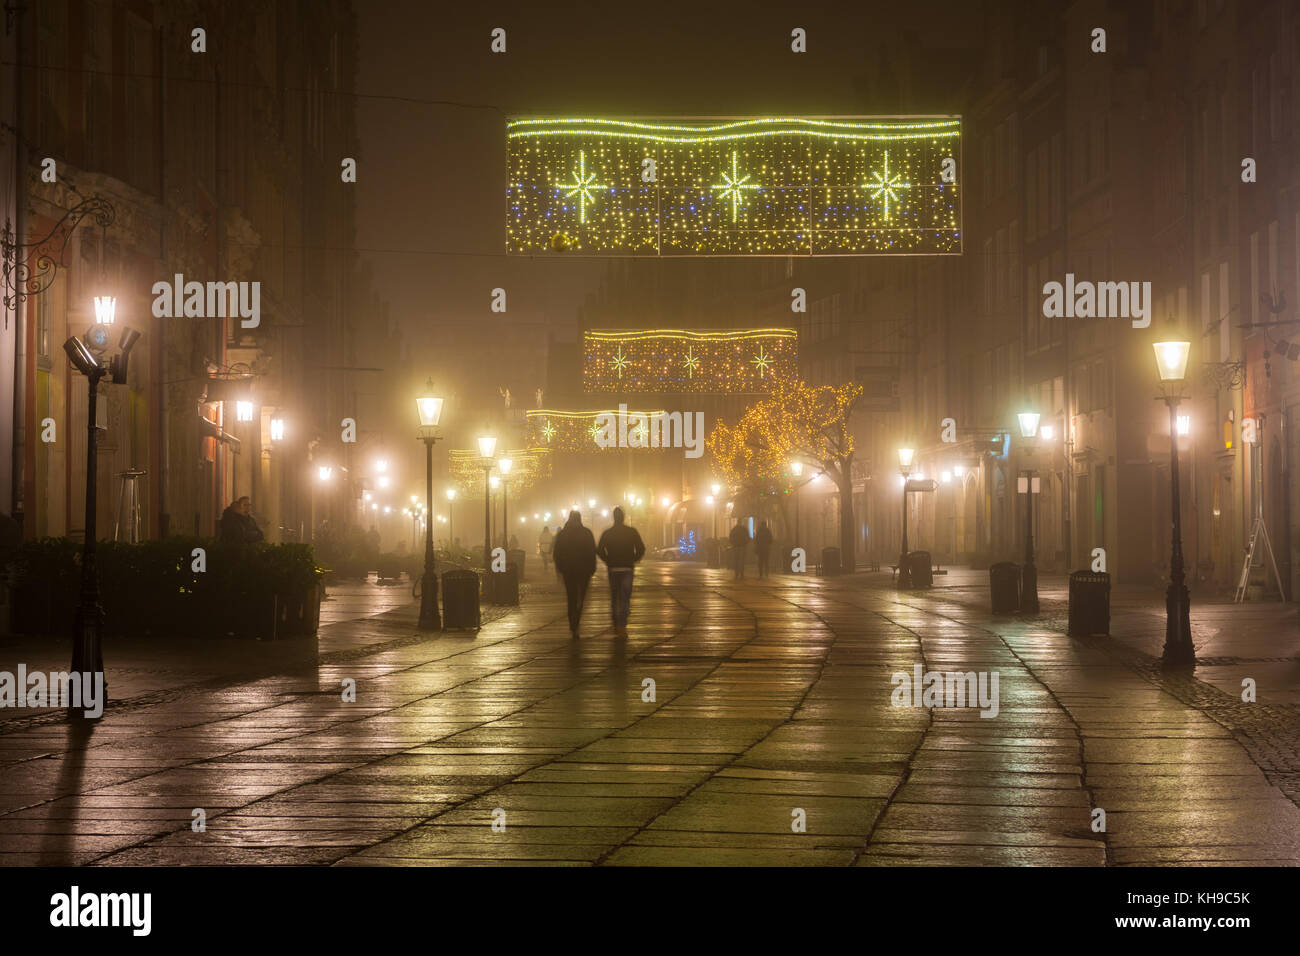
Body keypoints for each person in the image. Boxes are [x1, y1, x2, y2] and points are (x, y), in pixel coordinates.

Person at [596, 506, 646, 637]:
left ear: (613, 517)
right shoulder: (631, 532)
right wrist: (634, 559)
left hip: (613, 568)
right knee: (624, 597)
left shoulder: (608, 533)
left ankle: (616, 623)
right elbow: (641, 548)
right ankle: (622, 625)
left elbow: (599, 549)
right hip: (627, 568)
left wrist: (607, 560)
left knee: (614, 596)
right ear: (623, 517)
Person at [552, 510, 597, 639]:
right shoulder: (587, 533)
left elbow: (557, 554)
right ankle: (576, 619)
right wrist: (592, 568)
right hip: (583, 571)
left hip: (568, 571)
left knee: (571, 597)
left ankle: (573, 623)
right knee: (581, 598)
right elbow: (592, 552)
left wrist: (560, 569)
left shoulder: (563, 534)